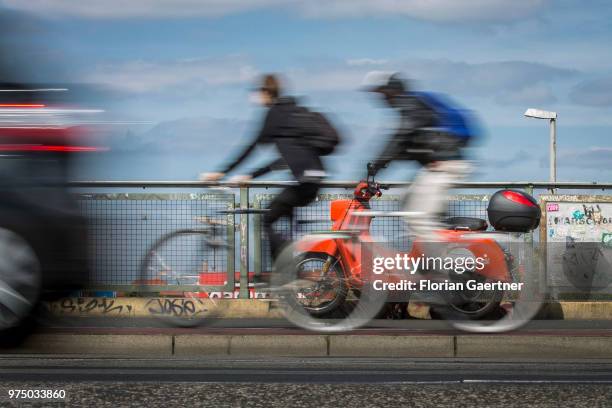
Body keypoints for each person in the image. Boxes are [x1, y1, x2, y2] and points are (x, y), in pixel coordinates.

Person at [201, 74, 329, 262]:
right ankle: (291, 268)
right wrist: (251, 175)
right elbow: (282, 160)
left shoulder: (275, 114)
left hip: (303, 184)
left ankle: (283, 272)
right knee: (282, 217)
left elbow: (252, 146)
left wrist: (222, 172)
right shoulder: (292, 113)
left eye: (258, 92)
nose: (256, 97)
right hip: (314, 179)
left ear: (266, 92)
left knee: (265, 219)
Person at [363, 72, 473, 239]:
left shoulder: (410, 106)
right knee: (407, 203)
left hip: (445, 166)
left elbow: (399, 139)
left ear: (392, 90)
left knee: (420, 219)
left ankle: (439, 263)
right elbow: (402, 148)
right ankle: (440, 243)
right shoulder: (414, 106)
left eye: (382, 93)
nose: (381, 98)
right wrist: (378, 166)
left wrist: (374, 168)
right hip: (437, 168)